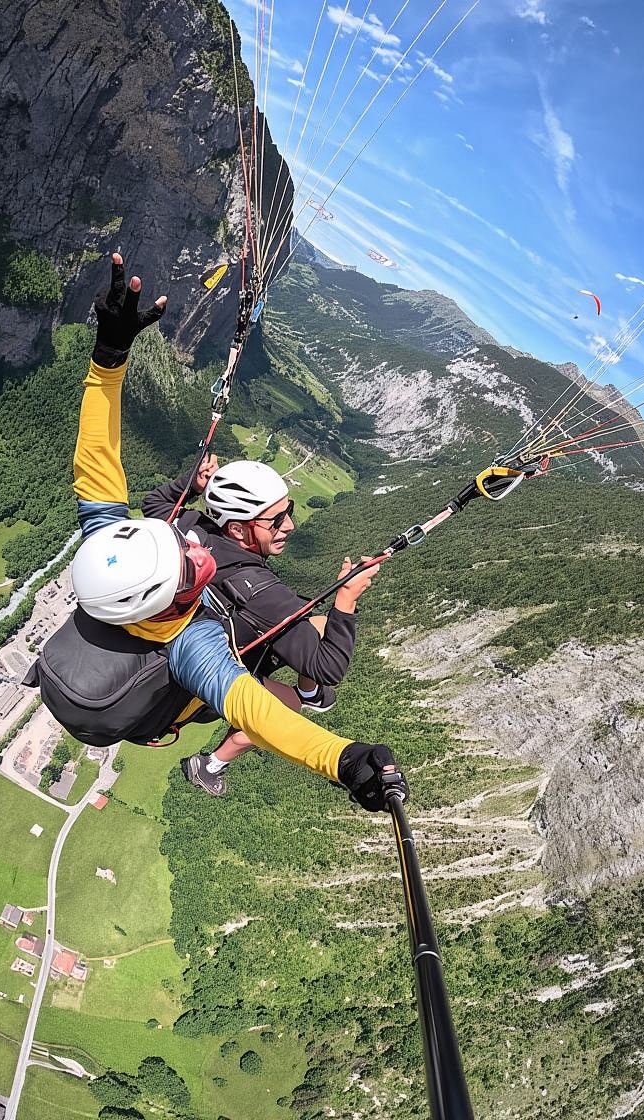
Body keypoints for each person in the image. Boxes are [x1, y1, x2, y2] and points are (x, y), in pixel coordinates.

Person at [26, 253, 406, 813]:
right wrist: (343, 760)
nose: (196, 551)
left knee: (296, 653)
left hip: (100, 661)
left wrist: (108, 358)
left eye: (178, 543)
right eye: (188, 567)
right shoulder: (190, 643)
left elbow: (96, 460)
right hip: (160, 706)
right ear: (173, 600)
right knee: (293, 690)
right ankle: (215, 761)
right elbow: (258, 712)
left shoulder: (110, 544)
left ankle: (250, 730)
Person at [142, 457, 382, 796]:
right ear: (238, 529)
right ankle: (210, 765)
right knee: (288, 705)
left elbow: (156, 505)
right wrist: (347, 598)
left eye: (289, 511)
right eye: (276, 519)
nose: (290, 525)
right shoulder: (256, 589)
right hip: (205, 682)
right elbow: (329, 667)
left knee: (315, 621)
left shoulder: (193, 530)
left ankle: (310, 693)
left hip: (200, 640)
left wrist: (191, 484)